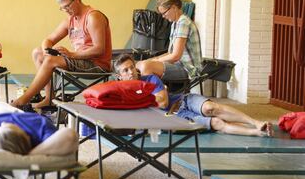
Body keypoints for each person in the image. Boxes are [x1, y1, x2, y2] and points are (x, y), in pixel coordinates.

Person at [114, 54, 274, 137]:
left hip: (183, 100)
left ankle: (255, 122)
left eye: (132, 68)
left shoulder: (150, 78)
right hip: (176, 117)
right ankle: (257, 132)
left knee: (211, 107)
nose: (131, 72)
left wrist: (137, 100)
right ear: (119, 76)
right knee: (217, 123)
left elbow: (162, 102)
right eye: (125, 70)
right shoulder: (120, 92)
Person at [12, 0, 112, 109]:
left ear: (76, 0)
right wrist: (47, 51)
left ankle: (22, 101)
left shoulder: (93, 16)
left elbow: (99, 49)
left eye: (67, 6)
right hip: (79, 60)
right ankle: (49, 98)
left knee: (50, 60)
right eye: (62, 8)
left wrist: (72, 55)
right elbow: (48, 40)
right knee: (38, 52)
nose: (66, 10)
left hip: (96, 64)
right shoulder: (70, 20)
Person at [136, 0, 202, 82]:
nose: (163, 16)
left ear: (174, 7)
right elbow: (170, 53)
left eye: (164, 13)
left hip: (189, 69)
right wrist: (152, 59)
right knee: (140, 64)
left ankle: (157, 93)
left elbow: (175, 56)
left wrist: (155, 61)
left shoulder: (184, 22)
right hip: (179, 64)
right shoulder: (175, 23)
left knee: (146, 66)